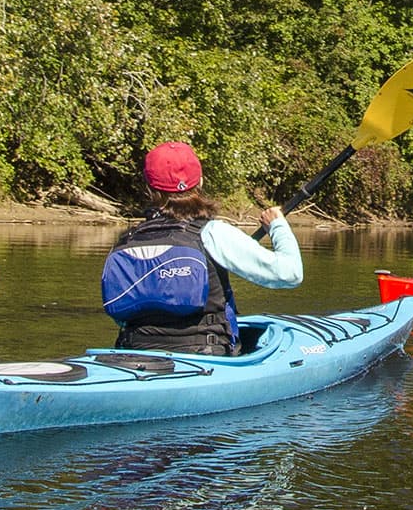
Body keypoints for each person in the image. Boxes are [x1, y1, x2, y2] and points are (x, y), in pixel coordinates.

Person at [99, 140, 303, 356]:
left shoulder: (127, 241)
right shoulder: (213, 233)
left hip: (133, 353)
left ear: (148, 187)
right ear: (201, 182)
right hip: (207, 355)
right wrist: (278, 226)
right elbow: (290, 274)